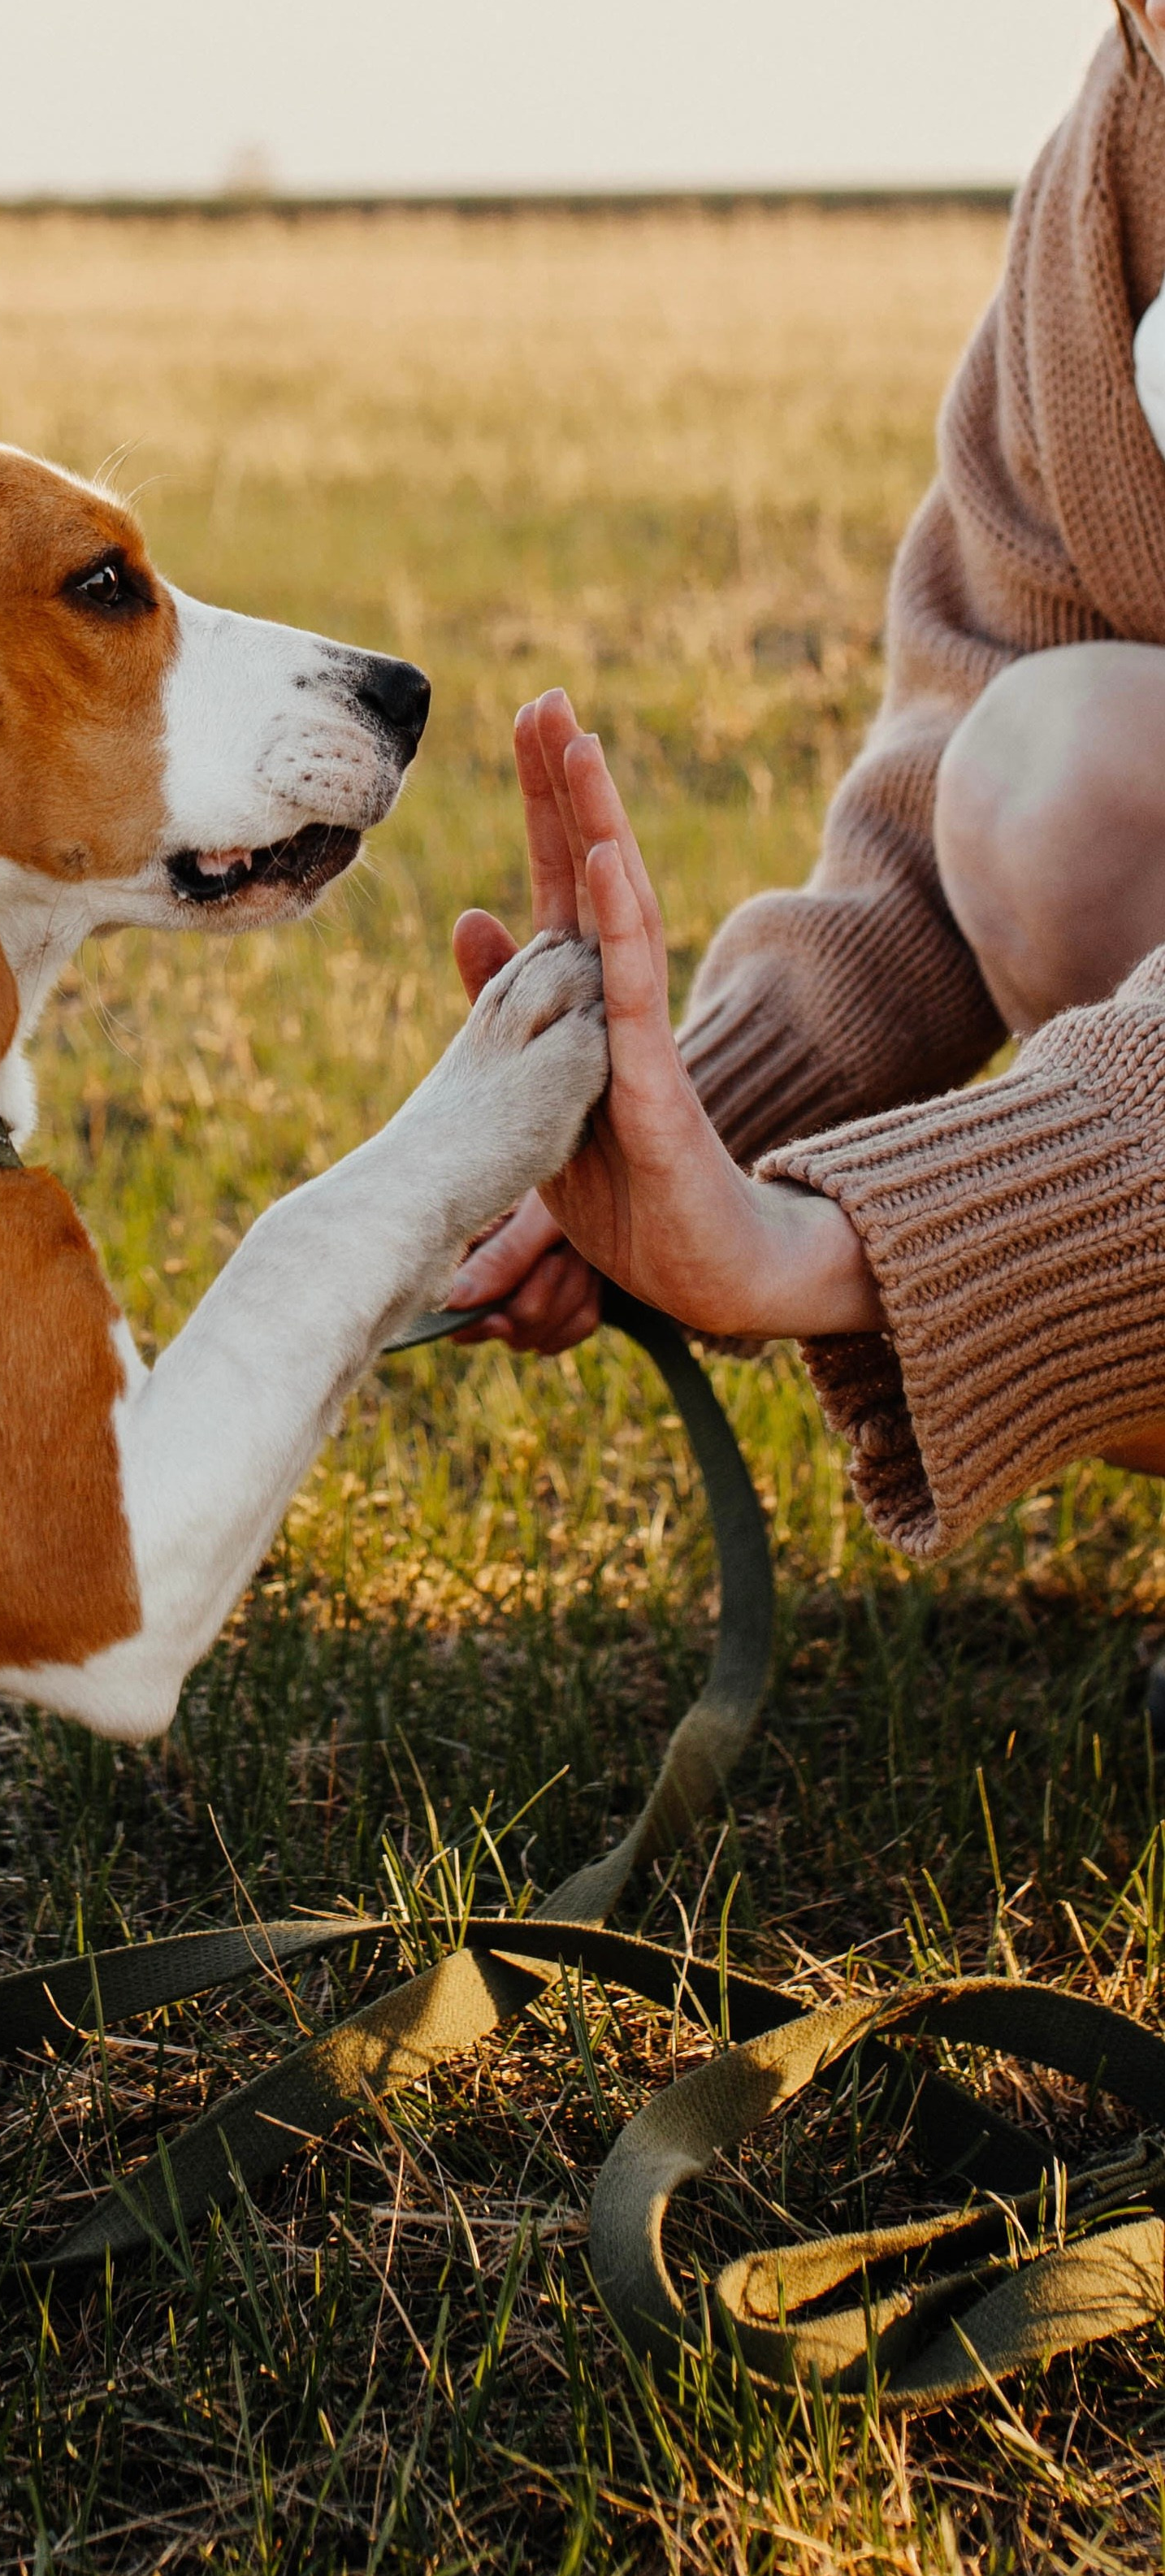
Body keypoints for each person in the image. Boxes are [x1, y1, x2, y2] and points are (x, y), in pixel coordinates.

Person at [447, 1, 1165, 1560]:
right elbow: (960, 782)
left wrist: (824, 1243)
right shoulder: (1125, 146)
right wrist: (676, 1126)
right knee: (1049, 779)